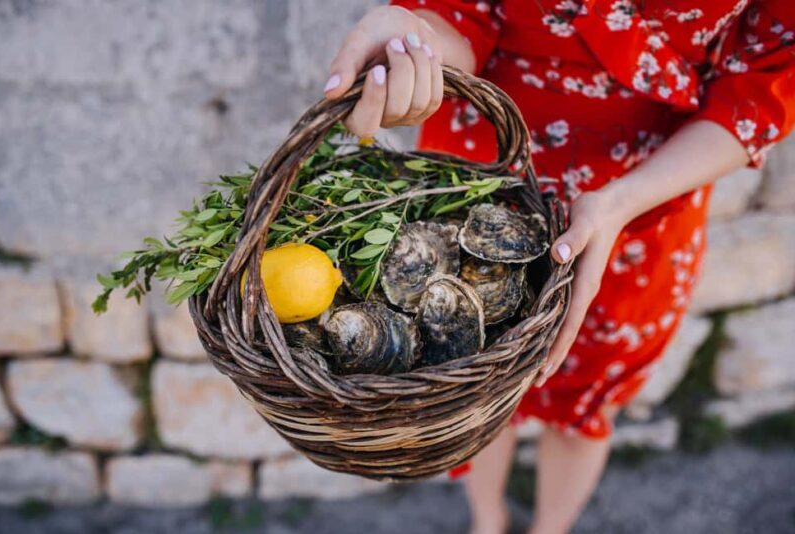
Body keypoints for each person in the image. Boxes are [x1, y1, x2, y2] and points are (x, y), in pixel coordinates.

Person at [323, 2, 795, 533]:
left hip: (642, 203)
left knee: (584, 410)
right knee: (472, 382)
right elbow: (463, 14)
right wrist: (416, 41)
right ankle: (486, 521)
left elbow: (765, 79)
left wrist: (621, 203)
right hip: (487, 176)